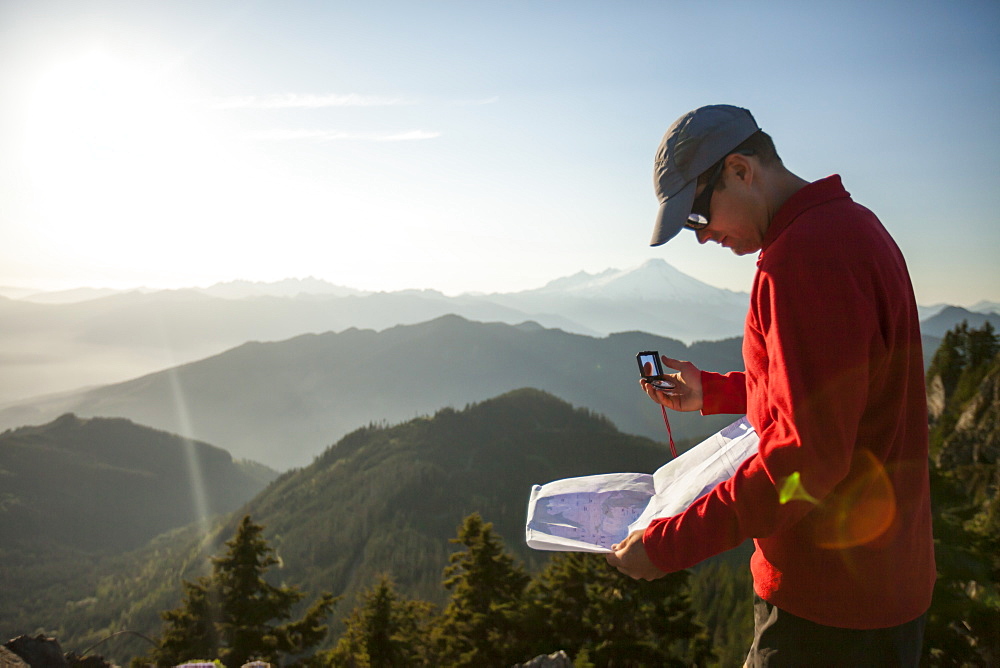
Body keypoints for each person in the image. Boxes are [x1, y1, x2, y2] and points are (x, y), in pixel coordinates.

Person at [605, 105, 935, 666]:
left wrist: (667, 546)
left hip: (827, 607)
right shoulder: (852, 226)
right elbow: (838, 391)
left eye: (698, 216)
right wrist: (716, 391)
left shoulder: (802, 260)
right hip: (881, 587)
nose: (704, 237)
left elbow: (804, 461)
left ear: (740, 170)